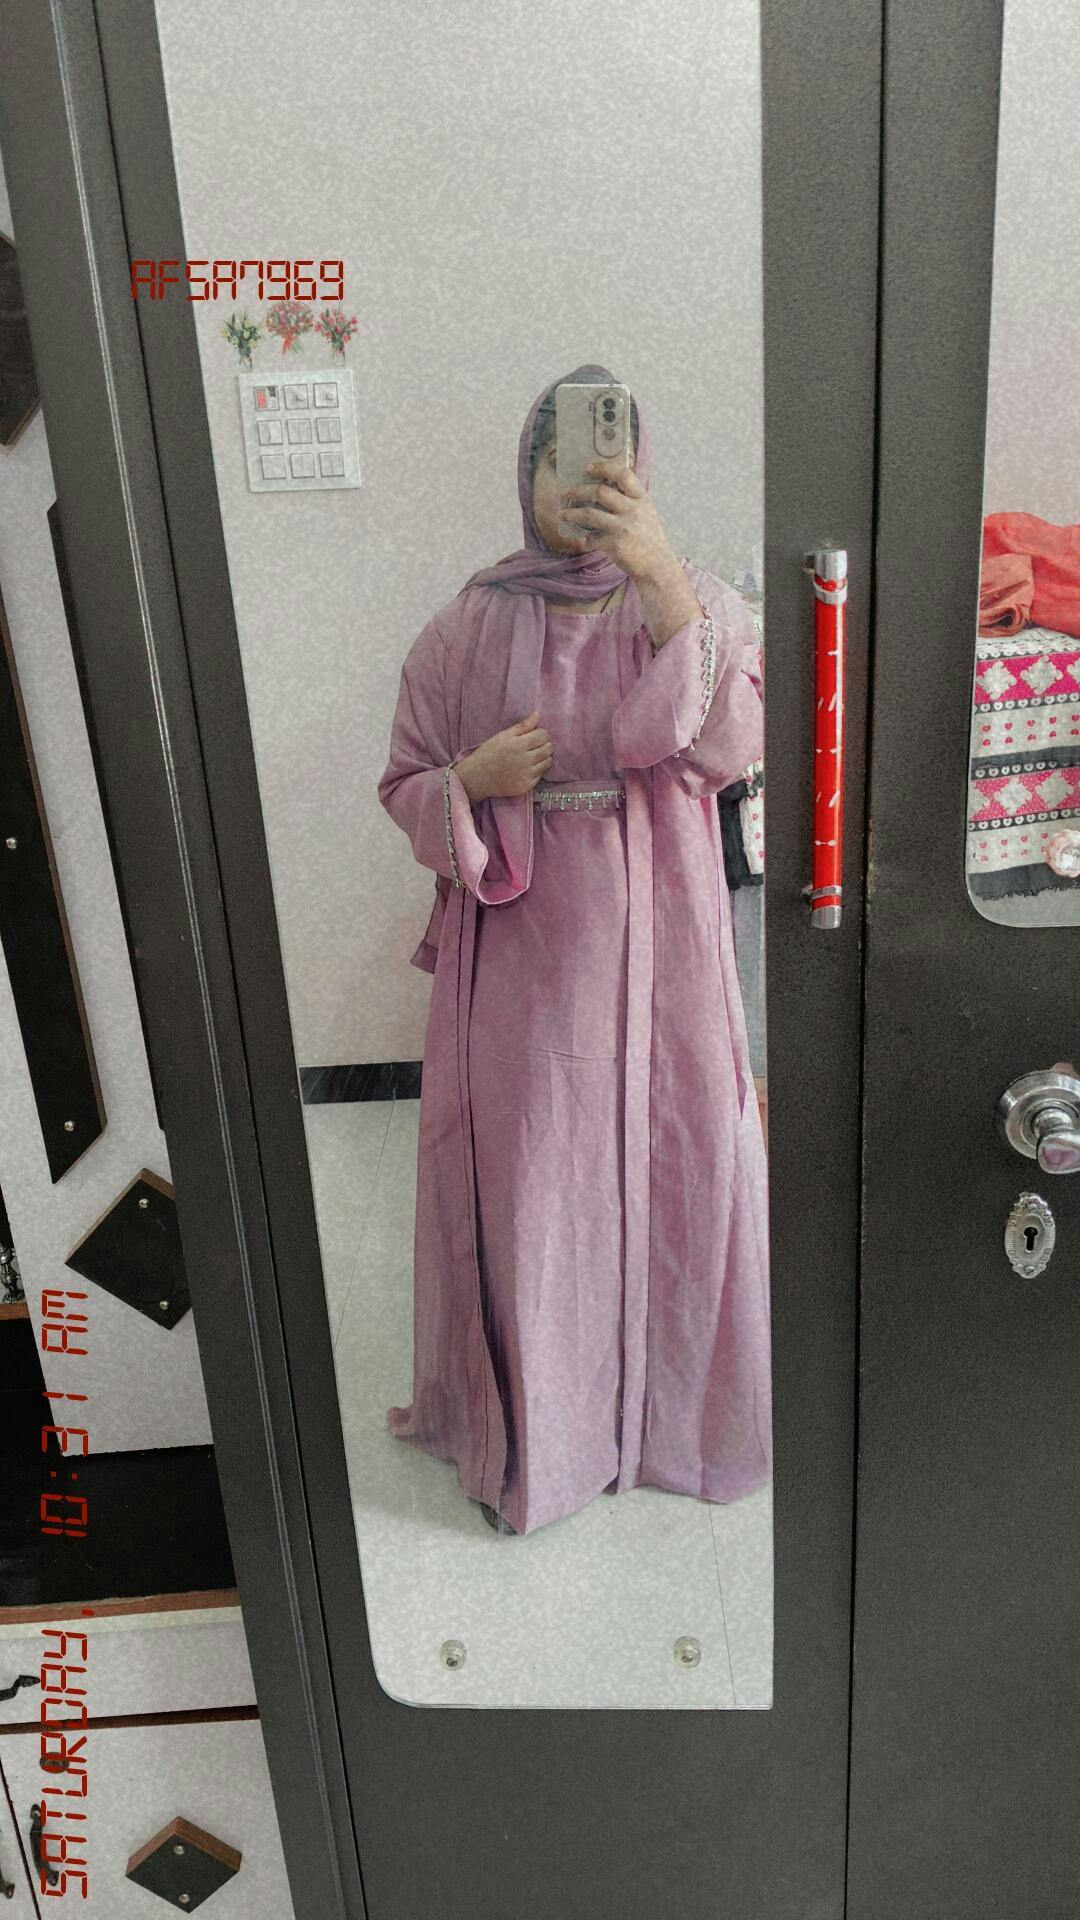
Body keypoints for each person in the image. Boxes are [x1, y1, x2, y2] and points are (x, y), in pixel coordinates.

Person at [377, 363, 771, 1539]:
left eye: (602, 456)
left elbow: (727, 750)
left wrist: (662, 580)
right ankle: (551, 1436)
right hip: (529, 959)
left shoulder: (693, 599)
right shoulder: (466, 624)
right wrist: (472, 779)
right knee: (542, 1182)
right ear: (527, 470)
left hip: (667, 943)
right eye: (557, 458)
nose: (578, 482)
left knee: (680, 1155)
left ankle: (668, 1425)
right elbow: (404, 781)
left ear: (636, 468)